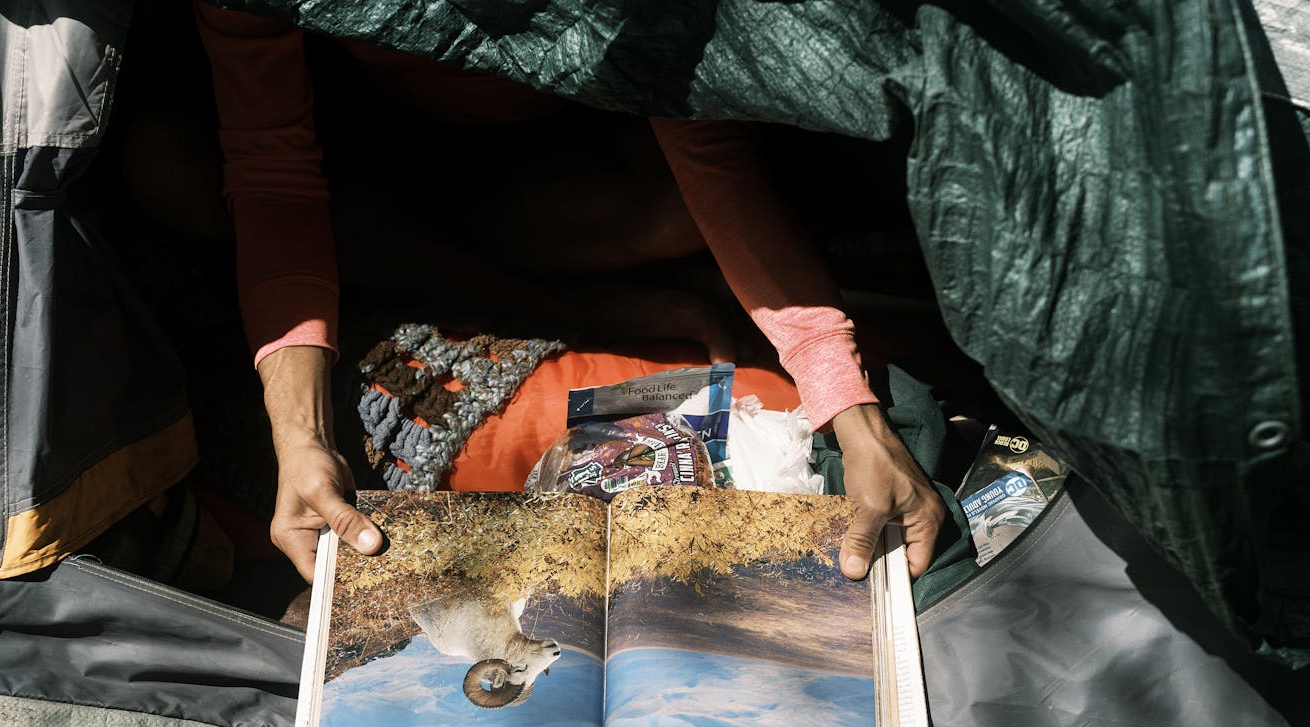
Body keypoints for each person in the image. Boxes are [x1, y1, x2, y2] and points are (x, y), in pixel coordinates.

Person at [191, 4, 945, 586]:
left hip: (565, 155)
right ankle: (573, 304)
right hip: (366, 166)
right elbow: (271, 173)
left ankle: (560, 297)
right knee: (166, 166)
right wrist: (302, 439)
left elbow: (703, 138)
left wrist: (851, 409)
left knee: (677, 209)